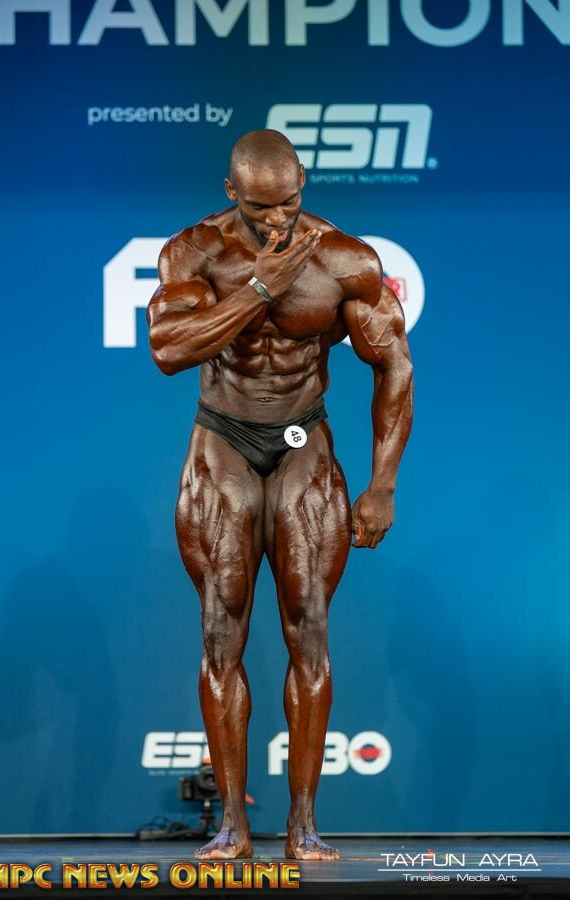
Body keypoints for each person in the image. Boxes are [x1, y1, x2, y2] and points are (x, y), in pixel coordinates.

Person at [147, 129, 413, 860]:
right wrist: (261, 287)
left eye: (288, 203)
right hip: (223, 440)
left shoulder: (345, 259)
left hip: (303, 440)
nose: (277, 220)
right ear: (231, 192)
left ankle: (303, 824)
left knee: (310, 628)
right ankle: (233, 824)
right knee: (220, 630)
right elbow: (169, 350)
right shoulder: (195, 252)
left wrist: (383, 484)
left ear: (303, 184)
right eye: (260, 207)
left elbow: (394, 365)